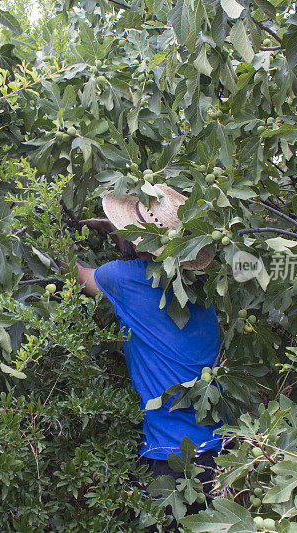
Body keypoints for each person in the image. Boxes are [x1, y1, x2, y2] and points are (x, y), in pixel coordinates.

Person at [71, 184, 222, 518]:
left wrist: (62, 240)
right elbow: (151, 256)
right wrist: (117, 230)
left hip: (169, 457)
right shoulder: (198, 289)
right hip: (219, 451)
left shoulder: (123, 279)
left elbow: (77, 276)